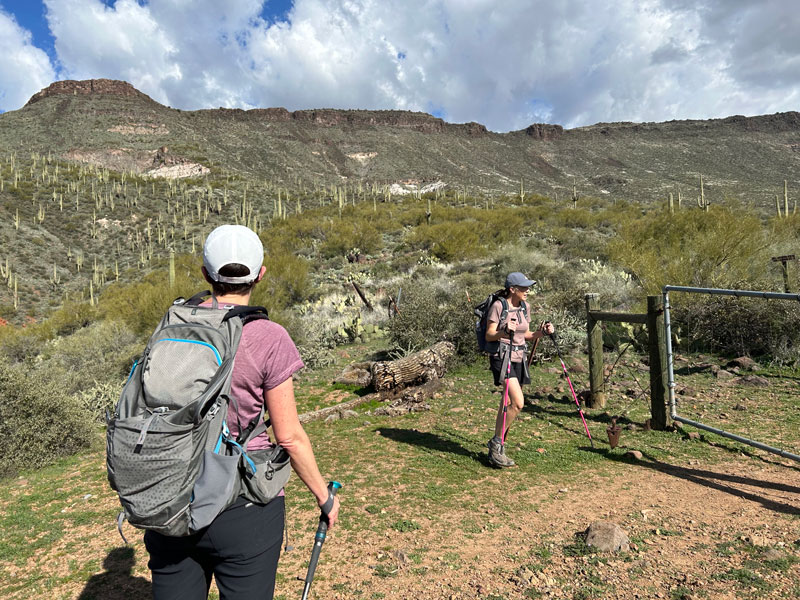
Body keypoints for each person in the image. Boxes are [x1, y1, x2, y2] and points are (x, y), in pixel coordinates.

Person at [144, 224, 340, 600]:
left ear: (205, 275)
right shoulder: (269, 336)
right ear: (260, 274)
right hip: (244, 504)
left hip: (171, 499)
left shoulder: (172, 326)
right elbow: (288, 436)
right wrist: (324, 496)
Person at [485, 271, 554, 468]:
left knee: (506, 403)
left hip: (519, 358)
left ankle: (498, 448)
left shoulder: (525, 307)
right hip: (502, 357)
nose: (527, 291)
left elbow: (527, 334)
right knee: (518, 403)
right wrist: (504, 331)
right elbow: (490, 335)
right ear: (512, 289)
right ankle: (496, 443)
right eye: (523, 288)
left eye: (528, 287)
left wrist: (543, 333)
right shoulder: (499, 306)